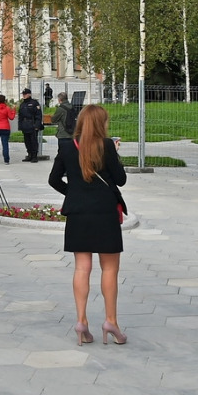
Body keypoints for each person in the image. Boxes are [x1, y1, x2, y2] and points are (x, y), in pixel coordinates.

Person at [48, 104, 128, 346]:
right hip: (104, 213)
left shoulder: (66, 147)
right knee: (110, 269)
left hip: (78, 213)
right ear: (102, 123)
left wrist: (72, 193)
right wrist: (115, 153)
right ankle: (111, 321)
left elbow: (53, 180)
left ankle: (81, 321)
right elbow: (121, 180)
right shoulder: (106, 146)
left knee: (82, 268)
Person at [17, 88, 44, 162]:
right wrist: (20, 126)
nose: (24, 95)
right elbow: (20, 116)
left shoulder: (34, 103)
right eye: (23, 94)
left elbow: (38, 115)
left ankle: (34, 156)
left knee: (33, 141)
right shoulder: (22, 104)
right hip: (25, 125)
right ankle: (29, 154)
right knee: (27, 141)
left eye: (25, 94)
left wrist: (37, 125)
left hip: (32, 125)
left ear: (29, 94)